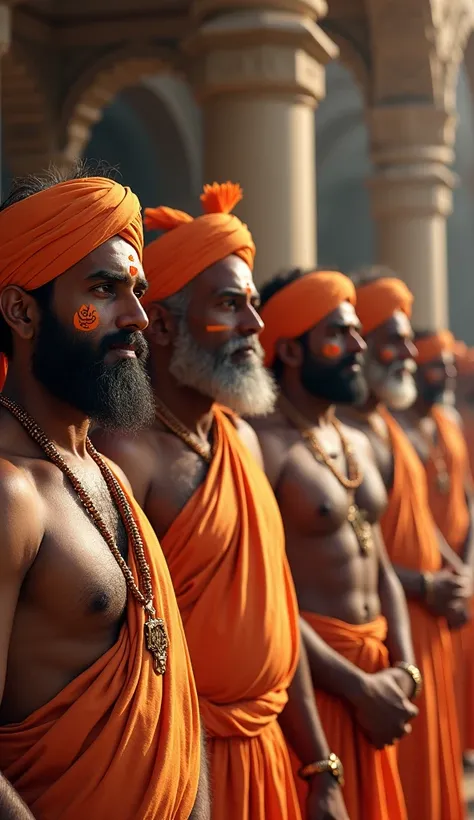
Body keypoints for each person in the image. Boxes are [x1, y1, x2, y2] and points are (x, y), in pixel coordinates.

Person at [93, 183, 350, 820]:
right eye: (231, 305)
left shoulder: (242, 441)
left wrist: (319, 764)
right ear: (170, 325)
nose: (254, 327)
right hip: (184, 766)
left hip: (274, 754)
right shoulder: (127, 457)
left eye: (254, 305)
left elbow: (279, 618)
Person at [0, 165, 205, 820]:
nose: (138, 316)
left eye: (137, 291)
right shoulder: (11, 496)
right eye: (103, 291)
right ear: (22, 310)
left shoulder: (106, 472)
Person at [251, 268, 418, 820]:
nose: (359, 345)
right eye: (341, 333)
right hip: (317, 693)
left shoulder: (353, 439)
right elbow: (269, 595)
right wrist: (359, 687)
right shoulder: (265, 447)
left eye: (356, 331)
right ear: (292, 351)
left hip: (380, 686)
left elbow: (384, 570)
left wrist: (405, 671)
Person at [340, 271, 465, 820]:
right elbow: (352, 551)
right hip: (390, 633)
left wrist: (454, 570)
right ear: (362, 345)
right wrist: (425, 583)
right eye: (393, 341)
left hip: (426, 628)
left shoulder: (385, 422)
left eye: (408, 340)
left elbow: (417, 515)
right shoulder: (343, 432)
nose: (408, 353)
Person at [397, 329, 474, 761]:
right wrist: (451, 568)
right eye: (435, 365)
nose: (443, 374)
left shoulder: (448, 422)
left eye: (447, 365)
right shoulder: (400, 430)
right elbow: (418, 518)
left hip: (457, 573)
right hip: (429, 580)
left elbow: (464, 495)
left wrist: (466, 567)